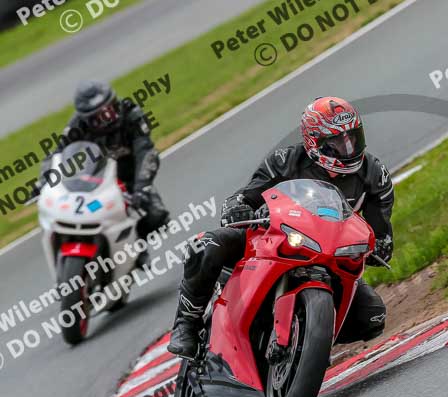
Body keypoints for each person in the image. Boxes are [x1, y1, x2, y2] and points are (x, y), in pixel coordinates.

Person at [167, 96, 394, 359]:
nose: (347, 147)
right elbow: (247, 196)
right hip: (274, 240)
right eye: (336, 143)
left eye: (352, 138)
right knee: (205, 245)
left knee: (372, 316)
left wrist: (382, 243)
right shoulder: (285, 160)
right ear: (314, 142)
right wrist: (237, 206)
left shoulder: (374, 174)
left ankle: (308, 341)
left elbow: (380, 229)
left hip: (330, 254)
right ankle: (187, 324)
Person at [44, 81, 169, 263]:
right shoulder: (77, 125)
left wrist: (142, 188)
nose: (107, 117)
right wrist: (45, 179)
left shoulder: (132, 116)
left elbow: (147, 153)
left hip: (130, 179)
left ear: (115, 102)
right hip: (93, 180)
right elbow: (57, 153)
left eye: (109, 109)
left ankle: (135, 247)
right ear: (86, 118)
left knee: (156, 217)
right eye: (98, 116)